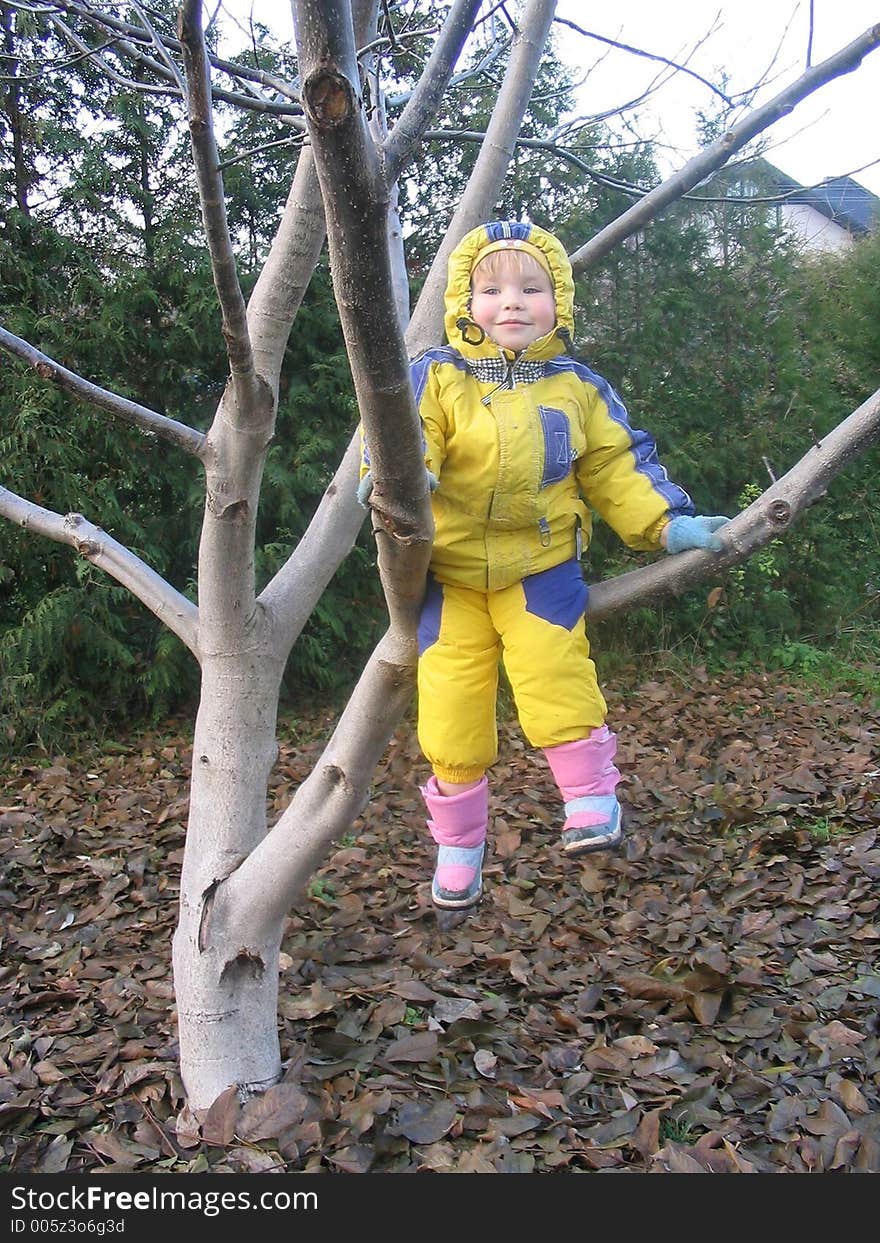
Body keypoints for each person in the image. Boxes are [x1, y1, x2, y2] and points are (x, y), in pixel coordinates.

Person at [360, 220, 728, 911]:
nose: (512, 303)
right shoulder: (438, 376)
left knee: (554, 670)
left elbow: (619, 465)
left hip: (542, 564)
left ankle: (591, 801)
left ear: (557, 300)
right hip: (454, 574)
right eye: (493, 289)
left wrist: (667, 522)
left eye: (531, 288)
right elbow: (404, 439)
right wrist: (394, 483)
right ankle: (459, 847)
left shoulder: (578, 389)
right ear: (466, 304)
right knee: (451, 704)